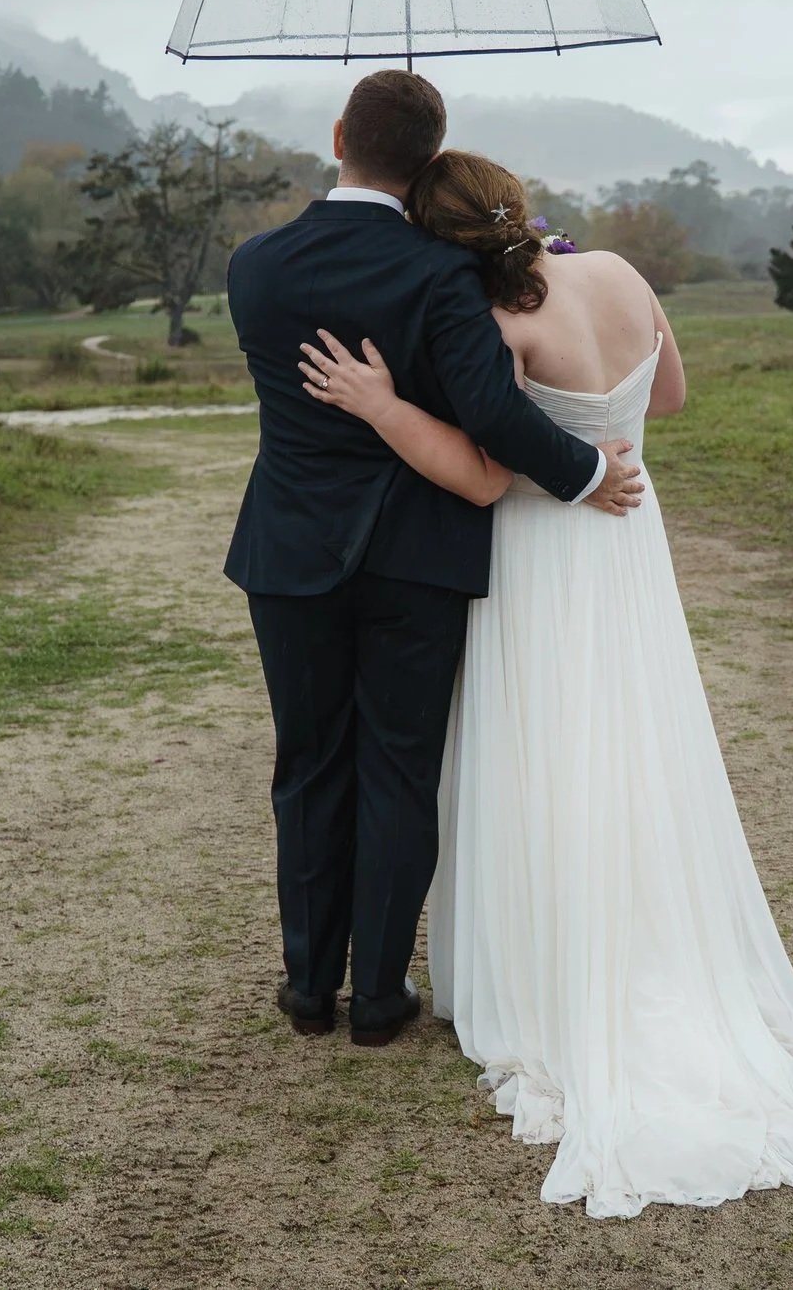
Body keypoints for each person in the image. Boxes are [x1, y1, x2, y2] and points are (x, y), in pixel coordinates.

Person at [296, 148, 793, 1219]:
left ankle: (554, 968)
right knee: (635, 748)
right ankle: (648, 936)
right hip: (632, 549)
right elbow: (676, 395)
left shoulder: (492, 321)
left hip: (542, 559)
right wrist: (611, 431)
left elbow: (481, 471)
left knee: (543, 755)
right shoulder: (618, 270)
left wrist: (378, 402)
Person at [223, 71, 645, 1049]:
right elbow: (495, 416)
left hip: (287, 549)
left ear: (338, 135)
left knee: (307, 764)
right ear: (429, 157)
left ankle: (303, 987)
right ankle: (378, 995)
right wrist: (589, 475)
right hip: (417, 553)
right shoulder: (438, 272)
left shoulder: (255, 266)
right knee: (399, 771)